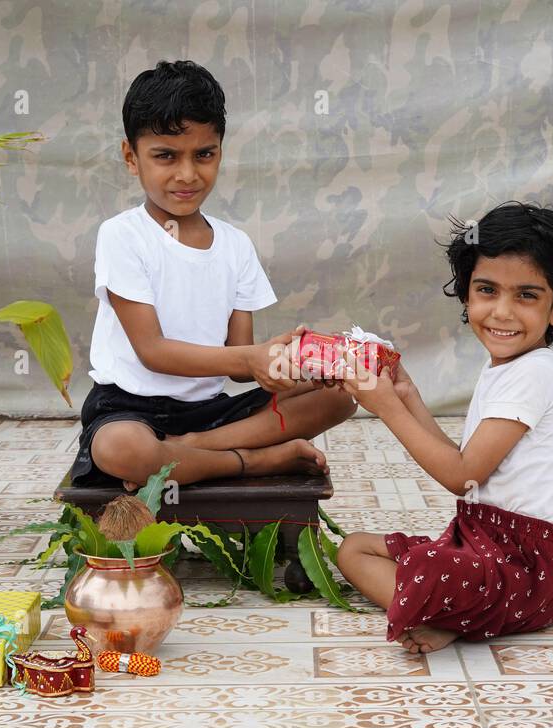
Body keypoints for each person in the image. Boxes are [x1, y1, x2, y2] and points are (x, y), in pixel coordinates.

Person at [70, 60, 356, 490]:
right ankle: (252, 461)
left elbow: (241, 364)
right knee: (121, 449)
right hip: (128, 410)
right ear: (131, 157)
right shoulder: (122, 235)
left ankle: (193, 448)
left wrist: (286, 361)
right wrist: (249, 358)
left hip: (209, 412)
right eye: (166, 156)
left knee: (341, 396)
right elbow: (153, 351)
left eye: (204, 154)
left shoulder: (235, 245)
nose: (188, 174)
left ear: (220, 151)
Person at [334, 201, 553, 653]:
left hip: (529, 567)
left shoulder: (535, 374)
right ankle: (450, 609)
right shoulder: (510, 367)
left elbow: (460, 474)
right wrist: (407, 396)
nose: (502, 312)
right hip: (482, 541)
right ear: (467, 295)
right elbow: (468, 460)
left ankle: (450, 615)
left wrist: (386, 409)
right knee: (353, 548)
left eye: (526, 296)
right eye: (487, 290)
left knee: (429, 568)